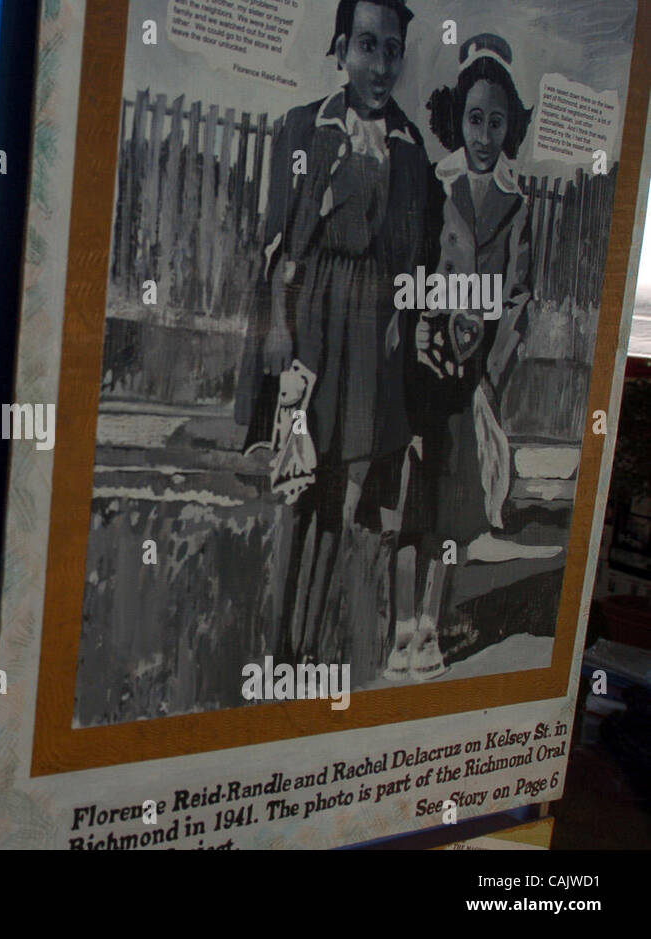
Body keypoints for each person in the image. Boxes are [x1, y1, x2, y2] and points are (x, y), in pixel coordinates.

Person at [235, 0, 431, 663]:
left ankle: (312, 647)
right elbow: (275, 247)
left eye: (392, 49)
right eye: (367, 46)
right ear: (343, 49)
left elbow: (414, 259)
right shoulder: (303, 128)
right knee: (297, 488)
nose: (380, 64)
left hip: (370, 332)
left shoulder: (410, 149)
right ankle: (275, 642)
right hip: (311, 318)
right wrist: (278, 328)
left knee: (342, 502)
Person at [384, 33, 536, 680]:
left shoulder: (517, 207)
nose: (484, 133)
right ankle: (398, 628)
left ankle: (430, 625)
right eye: (474, 118)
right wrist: (416, 335)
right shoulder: (433, 184)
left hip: (470, 382)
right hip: (423, 372)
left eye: (497, 121)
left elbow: (519, 304)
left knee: (450, 510)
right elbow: (411, 271)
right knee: (408, 503)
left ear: (510, 128)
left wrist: (488, 383)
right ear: (457, 119)